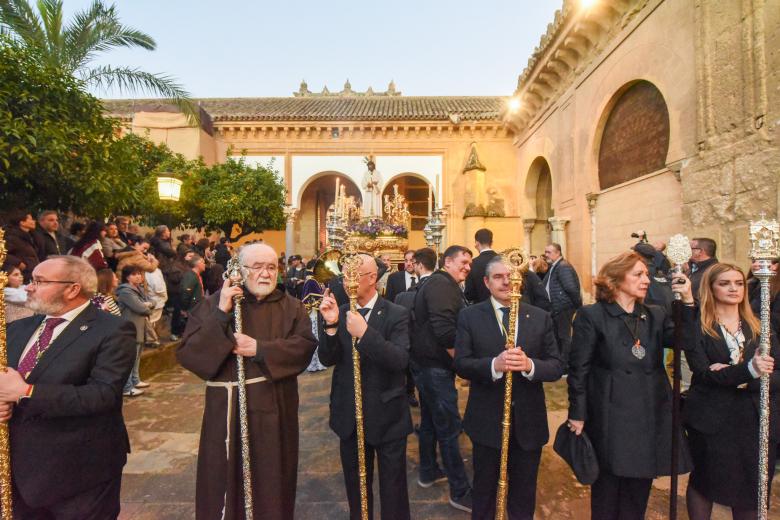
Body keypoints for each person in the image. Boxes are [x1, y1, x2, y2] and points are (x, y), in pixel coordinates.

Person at [177, 243, 317, 519]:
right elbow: (190, 355)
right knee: (223, 480)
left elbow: (304, 347)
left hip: (275, 412)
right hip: (226, 415)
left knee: (271, 480)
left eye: (271, 267)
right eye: (257, 267)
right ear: (240, 271)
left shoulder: (292, 307)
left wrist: (260, 349)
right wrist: (221, 313)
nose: (265, 274)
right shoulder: (216, 304)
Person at [2, 256, 135, 518]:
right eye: (31, 280)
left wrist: (27, 393)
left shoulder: (113, 329)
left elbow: (103, 394)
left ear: (72, 288)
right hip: (19, 467)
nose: (29, 287)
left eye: (39, 281)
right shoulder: (16, 329)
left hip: (80, 468)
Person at [567, 251, 692, 520]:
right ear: (615, 279)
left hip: (649, 410)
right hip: (610, 411)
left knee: (639, 487)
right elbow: (579, 369)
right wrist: (578, 412)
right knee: (608, 488)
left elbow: (686, 341)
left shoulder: (655, 315)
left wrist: (688, 303)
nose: (646, 279)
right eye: (638, 274)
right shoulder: (592, 316)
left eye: (646, 274)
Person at [455, 255, 563, 520]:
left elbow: (556, 366)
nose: (506, 282)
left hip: (528, 421)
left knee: (524, 493)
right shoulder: (470, 316)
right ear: (486, 282)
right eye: (498, 277)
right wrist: (494, 365)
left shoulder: (539, 317)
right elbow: (461, 364)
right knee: (485, 490)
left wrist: (529, 365)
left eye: (510, 276)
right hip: (486, 418)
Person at [318, 254, 413, 519]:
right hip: (349, 413)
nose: (346, 282)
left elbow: (399, 360)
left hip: (388, 415)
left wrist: (365, 334)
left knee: (393, 488)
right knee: (356, 486)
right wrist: (331, 325)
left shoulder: (397, 313)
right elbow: (327, 359)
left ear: (372, 278)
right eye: (344, 275)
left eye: (354, 275)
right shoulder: (340, 310)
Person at [682, 263, 778, 520]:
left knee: (751, 487)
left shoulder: (760, 326)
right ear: (711, 288)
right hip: (712, 418)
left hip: (753, 419)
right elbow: (702, 373)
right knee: (706, 479)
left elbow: (776, 375)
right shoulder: (698, 326)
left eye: (738, 283)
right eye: (724, 283)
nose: (734, 288)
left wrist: (744, 377)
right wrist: (751, 370)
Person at [410, 244, 474, 512]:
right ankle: (459, 491)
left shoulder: (440, 283)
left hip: (427, 366)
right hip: (434, 368)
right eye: (464, 262)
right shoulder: (442, 285)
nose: (468, 267)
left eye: (470, 263)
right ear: (447, 262)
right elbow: (445, 331)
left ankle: (428, 471)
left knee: (430, 423)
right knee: (449, 427)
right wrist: (463, 364)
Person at [542, 243, 582, 372]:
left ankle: (566, 365)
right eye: (545, 252)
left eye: (548, 252)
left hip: (563, 308)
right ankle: (561, 362)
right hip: (556, 308)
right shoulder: (555, 266)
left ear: (558, 253)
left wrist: (577, 306)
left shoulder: (563, 267)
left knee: (564, 337)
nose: (545, 255)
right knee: (559, 336)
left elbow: (571, 289)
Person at [116, 265, 154, 397]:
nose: (138, 276)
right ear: (127, 277)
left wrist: (147, 304)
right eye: (134, 274)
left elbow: (152, 302)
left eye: (139, 274)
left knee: (137, 357)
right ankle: (127, 387)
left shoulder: (139, 289)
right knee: (130, 359)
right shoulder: (126, 291)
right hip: (131, 328)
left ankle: (135, 380)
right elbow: (141, 308)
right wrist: (147, 305)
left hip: (139, 327)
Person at [302, 260, 327, 372]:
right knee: (315, 336)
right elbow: (309, 298)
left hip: (317, 312)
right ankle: (314, 363)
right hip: (313, 313)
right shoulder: (311, 281)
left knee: (319, 336)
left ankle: (319, 362)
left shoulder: (316, 280)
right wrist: (323, 298)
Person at [4, 210, 39, 282]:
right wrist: (18, 263)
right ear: (22, 222)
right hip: (20, 278)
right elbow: (2, 253)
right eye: (31, 219)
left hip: (30, 276)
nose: (34, 221)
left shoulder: (29, 237)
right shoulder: (11, 237)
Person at [464, 228, 497, 304]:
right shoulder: (503, 260)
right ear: (491, 242)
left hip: (479, 308)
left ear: (477, 243)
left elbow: (469, 294)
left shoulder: (473, 263)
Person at [145, 260, 168, 348]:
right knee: (153, 321)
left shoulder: (146, 271)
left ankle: (152, 338)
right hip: (156, 299)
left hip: (152, 298)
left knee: (151, 320)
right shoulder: (152, 271)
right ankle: (152, 340)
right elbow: (158, 288)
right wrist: (164, 295)